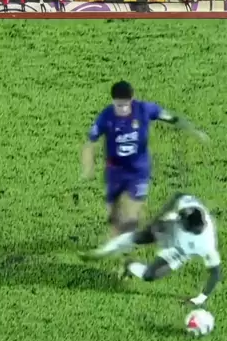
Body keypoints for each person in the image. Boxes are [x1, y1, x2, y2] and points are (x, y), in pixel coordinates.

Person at [81, 81, 209, 236]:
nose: (122, 109)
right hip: (115, 170)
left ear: (132, 99)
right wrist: (88, 166)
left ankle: (126, 239)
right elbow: (91, 141)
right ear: (113, 101)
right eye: (119, 105)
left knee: (131, 217)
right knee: (113, 216)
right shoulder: (106, 116)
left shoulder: (144, 110)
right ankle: (120, 234)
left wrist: (194, 131)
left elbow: (172, 118)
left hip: (138, 170)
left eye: (125, 105)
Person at [91, 193, 221, 306]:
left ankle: (129, 265)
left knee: (149, 275)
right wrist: (158, 218)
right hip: (168, 229)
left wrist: (200, 299)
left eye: (183, 222)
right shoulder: (191, 208)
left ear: (190, 229)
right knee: (142, 237)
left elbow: (215, 274)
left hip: (178, 251)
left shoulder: (206, 244)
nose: (180, 219)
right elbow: (179, 196)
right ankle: (106, 249)